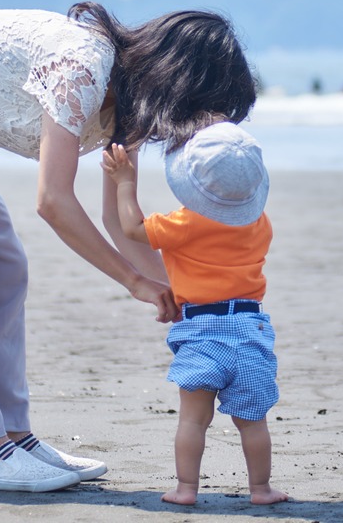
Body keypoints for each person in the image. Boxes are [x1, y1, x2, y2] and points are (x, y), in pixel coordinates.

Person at [0, 3, 257, 492]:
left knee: (6, 268)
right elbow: (53, 201)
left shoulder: (132, 104)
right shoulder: (85, 67)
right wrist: (133, 281)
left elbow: (118, 223)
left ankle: (16, 438)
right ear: (179, 84)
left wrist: (187, 294)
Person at [101, 122, 288, 506]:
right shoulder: (259, 224)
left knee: (193, 419)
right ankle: (261, 489)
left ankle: (186, 488)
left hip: (201, 330)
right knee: (253, 421)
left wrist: (124, 181)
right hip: (249, 327)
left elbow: (131, 228)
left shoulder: (185, 224)